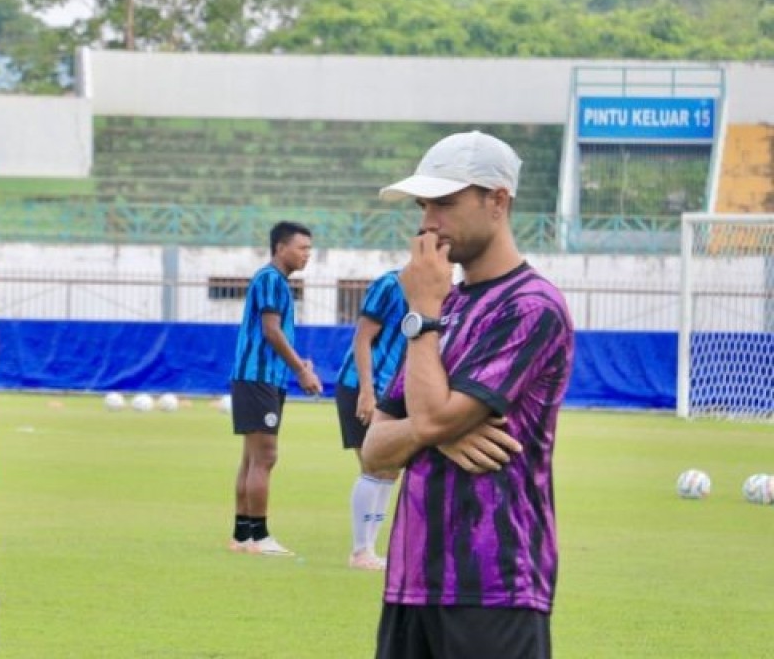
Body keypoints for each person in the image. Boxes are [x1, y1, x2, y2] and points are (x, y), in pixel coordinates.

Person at [361, 130, 575, 658]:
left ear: (497, 201)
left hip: (494, 580)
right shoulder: (441, 309)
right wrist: (433, 432)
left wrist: (428, 426)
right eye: (423, 204)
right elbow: (375, 450)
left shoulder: (529, 307)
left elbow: (428, 421)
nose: (428, 221)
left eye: (446, 203)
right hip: (412, 578)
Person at [228, 221, 323, 557]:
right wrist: (300, 370)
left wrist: (297, 364)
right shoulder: (270, 279)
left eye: (310, 249)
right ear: (281, 248)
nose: (307, 255)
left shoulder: (275, 281)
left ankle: (242, 534)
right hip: (259, 377)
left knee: (251, 458)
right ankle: (259, 536)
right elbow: (271, 330)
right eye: (302, 248)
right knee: (265, 457)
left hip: (261, 377)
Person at [334, 269, 406, 571]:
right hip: (364, 387)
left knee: (390, 471)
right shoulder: (390, 284)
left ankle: (371, 551)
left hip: (398, 391)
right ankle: (360, 550)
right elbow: (363, 336)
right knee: (373, 466)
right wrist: (366, 391)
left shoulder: (444, 291)